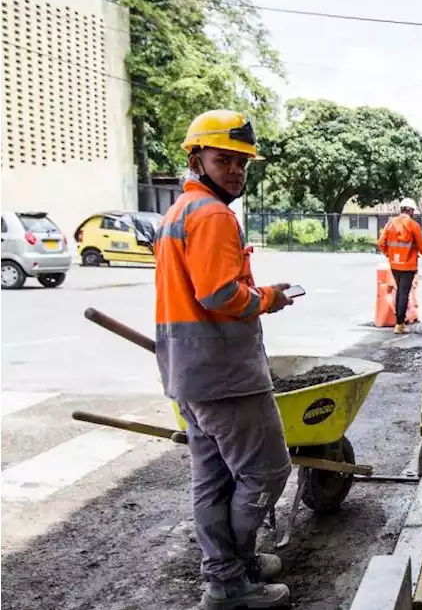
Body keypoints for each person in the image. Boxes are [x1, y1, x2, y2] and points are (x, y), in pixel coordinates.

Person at [155, 110, 295, 609]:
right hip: (225, 375)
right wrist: (268, 298)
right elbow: (218, 294)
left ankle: (227, 578)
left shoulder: (178, 213)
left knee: (212, 481)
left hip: (187, 374)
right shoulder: (214, 215)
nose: (235, 171)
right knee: (266, 473)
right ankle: (234, 576)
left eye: (241, 163)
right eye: (223, 160)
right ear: (196, 158)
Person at [377, 198, 422, 334]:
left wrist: (389, 255)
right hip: (408, 266)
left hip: (395, 265)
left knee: (400, 292)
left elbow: (381, 243)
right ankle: (400, 324)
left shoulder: (390, 224)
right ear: (410, 210)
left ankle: (400, 322)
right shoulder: (413, 226)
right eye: (413, 211)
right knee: (403, 293)